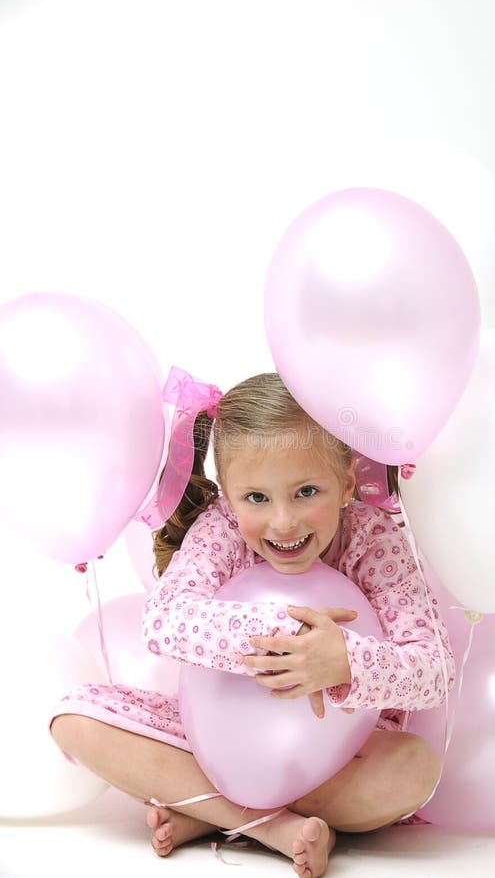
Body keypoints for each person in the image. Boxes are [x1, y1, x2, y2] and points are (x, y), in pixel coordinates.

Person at [50, 372, 456, 878]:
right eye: (256, 499)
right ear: (229, 494)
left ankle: (210, 812)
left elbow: (435, 667)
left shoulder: (372, 539)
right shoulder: (221, 529)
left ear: (348, 480)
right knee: (73, 720)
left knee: (414, 770)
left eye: (307, 491)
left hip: (343, 753)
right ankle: (267, 826)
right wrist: (286, 635)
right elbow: (164, 619)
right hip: (216, 739)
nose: (283, 523)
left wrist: (343, 660)